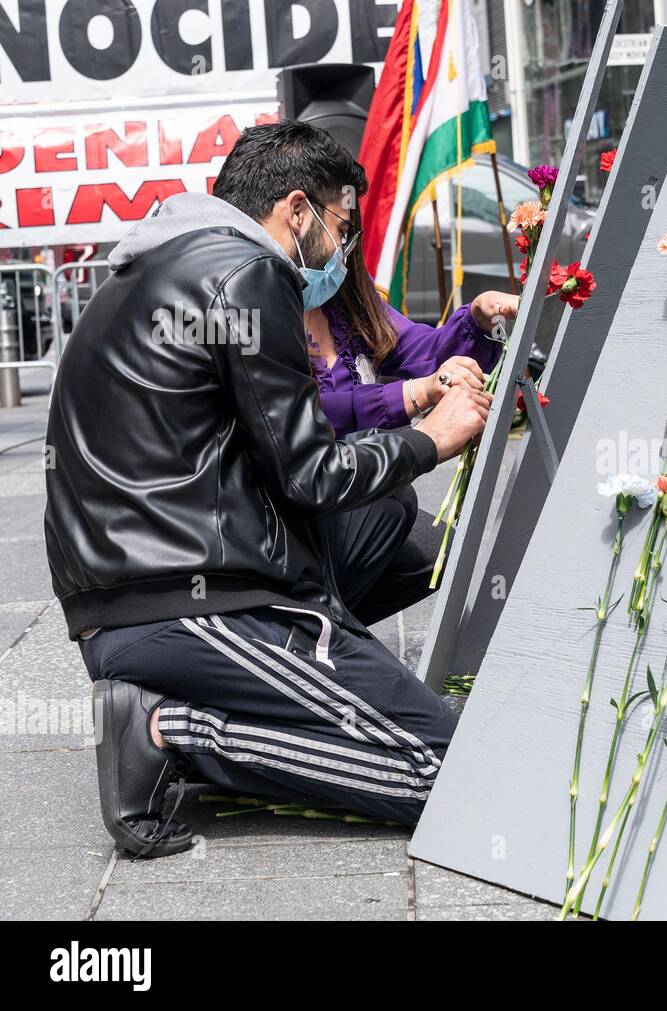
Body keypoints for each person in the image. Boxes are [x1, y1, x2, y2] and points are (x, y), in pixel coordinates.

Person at [45, 120, 493, 857]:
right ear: (296, 210)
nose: (340, 252)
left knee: (398, 530)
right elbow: (309, 471)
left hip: (134, 593)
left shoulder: (159, 261)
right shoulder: (250, 273)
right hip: (188, 604)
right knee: (448, 770)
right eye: (340, 226)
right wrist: (430, 438)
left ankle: (278, 690)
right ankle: (170, 727)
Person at [305, 220, 518, 623]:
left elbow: (420, 349)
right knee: (390, 502)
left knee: (432, 549)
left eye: (347, 233)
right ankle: (304, 637)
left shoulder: (345, 296)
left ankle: (334, 628)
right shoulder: (258, 310)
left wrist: (478, 319)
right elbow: (312, 412)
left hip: (350, 492)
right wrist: (416, 395)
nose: (341, 245)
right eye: (335, 226)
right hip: (295, 503)